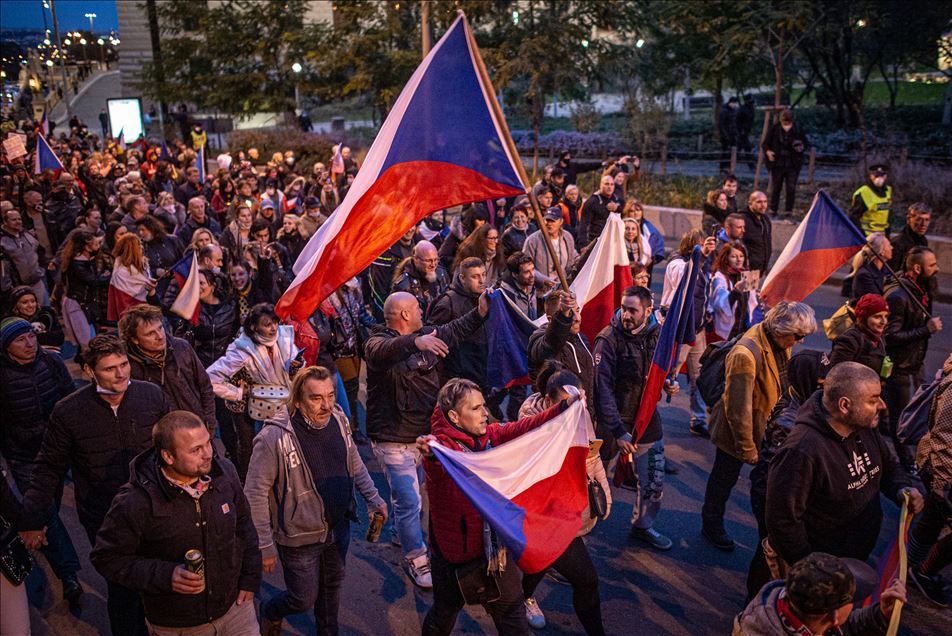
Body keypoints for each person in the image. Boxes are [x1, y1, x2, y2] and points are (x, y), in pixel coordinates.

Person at [19, 334, 170, 636]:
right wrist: (33, 520)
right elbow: (49, 468)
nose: (121, 373)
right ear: (89, 371)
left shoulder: (151, 395)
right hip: (105, 517)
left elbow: (173, 443)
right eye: (110, 368)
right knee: (123, 592)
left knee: (160, 583)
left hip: (157, 510)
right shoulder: (68, 411)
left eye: (124, 364)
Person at [416, 378, 584, 634]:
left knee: (512, 618)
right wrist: (430, 453)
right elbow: (435, 462)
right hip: (454, 561)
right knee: (443, 616)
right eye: (475, 408)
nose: (485, 414)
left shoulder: (490, 436)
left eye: (484, 405)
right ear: (454, 416)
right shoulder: (444, 450)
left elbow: (526, 427)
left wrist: (564, 408)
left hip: (493, 556)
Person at [91, 411, 261, 635]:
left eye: (208, 443)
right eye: (195, 450)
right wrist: (165, 575)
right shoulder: (135, 501)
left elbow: (244, 527)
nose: (208, 454)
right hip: (178, 624)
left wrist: (250, 578)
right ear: (168, 457)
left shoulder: (225, 473)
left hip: (235, 611)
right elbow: (107, 558)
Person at [245, 366, 386, 636]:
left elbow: (353, 461)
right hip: (299, 537)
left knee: (331, 590)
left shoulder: (339, 418)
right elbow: (254, 493)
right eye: (316, 398)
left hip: (338, 528)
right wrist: (264, 544)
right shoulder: (273, 438)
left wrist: (373, 497)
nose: (326, 405)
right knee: (302, 598)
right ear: (297, 400)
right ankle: (271, 611)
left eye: (331, 396)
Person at [363, 290, 487, 589]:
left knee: (415, 497)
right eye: (417, 307)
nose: (422, 310)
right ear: (405, 314)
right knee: (410, 501)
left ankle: (399, 532)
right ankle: (417, 559)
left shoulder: (426, 334)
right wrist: (414, 342)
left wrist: (480, 312)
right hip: (393, 439)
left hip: (423, 436)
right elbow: (381, 351)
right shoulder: (377, 341)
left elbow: (454, 329)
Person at [765, 362, 923, 566]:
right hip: (820, 573)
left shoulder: (864, 425)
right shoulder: (801, 451)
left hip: (854, 556)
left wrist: (902, 488)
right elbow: (782, 521)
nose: (882, 406)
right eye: (873, 400)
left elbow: (888, 466)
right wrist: (810, 568)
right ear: (845, 405)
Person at [703, 301, 817, 551]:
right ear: (780, 330)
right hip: (737, 430)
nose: (800, 342)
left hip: (764, 422)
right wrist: (747, 448)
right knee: (724, 477)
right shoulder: (746, 354)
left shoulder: (775, 338)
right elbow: (738, 408)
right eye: (798, 336)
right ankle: (711, 524)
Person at [0, 317, 83, 604]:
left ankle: (42, 539)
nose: (29, 343)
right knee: (43, 510)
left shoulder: (50, 363)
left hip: (57, 451)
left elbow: (70, 399)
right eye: (20, 339)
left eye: (31, 336)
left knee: (52, 508)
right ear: (6, 346)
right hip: (24, 457)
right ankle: (69, 574)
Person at [518, 370, 608, 634]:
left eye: (576, 405)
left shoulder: (579, 412)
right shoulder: (529, 424)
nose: (572, 412)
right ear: (547, 400)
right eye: (564, 406)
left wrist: (603, 490)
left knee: (544, 560)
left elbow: (591, 454)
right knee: (587, 580)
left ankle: (522, 597)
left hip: (568, 507)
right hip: (545, 514)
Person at [595, 286, 679, 550]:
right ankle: (580, 531)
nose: (626, 315)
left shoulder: (657, 335)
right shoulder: (608, 339)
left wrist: (665, 383)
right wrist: (618, 431)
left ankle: (643, 526)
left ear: (648, 311)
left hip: (645, 417)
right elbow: (602, 389)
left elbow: (657, 369)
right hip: (612, 420)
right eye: (623, 308)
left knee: (653, 477)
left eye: (633, 310)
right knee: (594, 480)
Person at [206, 303, 301, 480]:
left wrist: (296, 367)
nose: (273, 328)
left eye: (275, 322)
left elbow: (293, 366)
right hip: (246, 409)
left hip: (279, 403)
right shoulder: (242, 350)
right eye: (267, 324)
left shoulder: (284, 338)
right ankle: (246, 487)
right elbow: (209, 378)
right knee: (251, 450)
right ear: (253, 327)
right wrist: (237, 393)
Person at [735, 552, 906, 636]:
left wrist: (880, 614)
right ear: (834, 616)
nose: (854, 604)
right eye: (852, 597)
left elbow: (840, 628)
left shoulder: (784, 605)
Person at [883, 246, 942, 468]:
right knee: (903, 421)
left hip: (915, 364)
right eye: (932, 265)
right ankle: (908, 465)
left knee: (919, 416)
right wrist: (926, 330)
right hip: (900, 369)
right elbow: (891, 336)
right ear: (917, 268)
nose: (937, 269)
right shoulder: (899, 296)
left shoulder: (920, 290)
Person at [120, 303, 218, 433]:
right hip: (165, 436)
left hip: (197, 427)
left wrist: (209, 422)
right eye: (150, 333)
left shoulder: (182, 348)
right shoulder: (129, 366)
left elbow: (205, 386)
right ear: (135, 339)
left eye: (160, 328)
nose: (160, 336)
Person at [907, 353, 952, 606]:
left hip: (941, 465)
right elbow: (944, 436)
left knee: (933, 519)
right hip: (941, 466)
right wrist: (942, 483)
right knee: (936, 513)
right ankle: (921, 571)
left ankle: (911, 569)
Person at [428, 257, 488, 387]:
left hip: (482, 373)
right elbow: (433, 337)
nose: (482, 280)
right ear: (462, 278)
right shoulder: (448, 303)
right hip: (458, 378)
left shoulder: (486, 298)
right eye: (475, 276)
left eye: (483, 275)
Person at [708, 242, 758, 342]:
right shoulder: (719, 276)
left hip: (744, 328)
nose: (739, 259)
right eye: (734, 256)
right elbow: (720, 304)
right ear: (726, 259)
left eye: (741, 256)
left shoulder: (749, 275)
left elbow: (754, 303)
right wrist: (735, 292)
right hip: (726, 331)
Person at [830, 294, 889, 377]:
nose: (884, 322)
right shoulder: (850, 340)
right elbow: (836, 374)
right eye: (877, 317)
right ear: (864, 318)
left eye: (886, 316)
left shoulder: (879, 338)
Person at [764, 109, 808, 215]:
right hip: (777, 163)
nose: (786, 125)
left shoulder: (797, 129)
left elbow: (805, 144)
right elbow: (765, 143)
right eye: (784, 123)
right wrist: (768, 152)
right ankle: (773, 209)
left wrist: (799, 147)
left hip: (792, 163)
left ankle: (788, 210)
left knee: (791, 187)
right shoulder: (775, 129)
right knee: (776, 187)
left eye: (788, 123)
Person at [391, 239, 450, 319]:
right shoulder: (403, 286)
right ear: (416, 259)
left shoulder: (441, 273)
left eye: (436, 259)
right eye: (428, 261)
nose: (433, 265)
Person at [107, 232, 156, 322]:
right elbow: (122, 303)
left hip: (150, 313)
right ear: (130, 250)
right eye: (138, 245)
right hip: (133, 320)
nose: (141, 247)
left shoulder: (144, 266)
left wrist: (152, 290)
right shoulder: (121, 273)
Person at [1, 207, 46, 302]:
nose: (18, 222)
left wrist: (41, 270)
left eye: (19, 219)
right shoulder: (2, 241)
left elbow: (40, 251)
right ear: (5, 222)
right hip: (19, 288)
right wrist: (9, 287)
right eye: (13, 220)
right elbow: (3, 268)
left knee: (45, 312)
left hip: (37, 282)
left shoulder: (27, 234)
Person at [522, 207, 577, 286]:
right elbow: (525, 266)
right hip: (540, 290)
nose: (549, 223)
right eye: (547, 220)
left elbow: (572, 257)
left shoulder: (567, 237)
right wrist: (544, 280)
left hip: (563, 287)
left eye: (552, 221)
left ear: (561, 221)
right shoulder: (532, 240)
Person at [369, 228, 415, 320]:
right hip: (391, 314)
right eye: (406, 225)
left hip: (411, 311)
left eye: (412, 224)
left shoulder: (417, 246)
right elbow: (378, 290)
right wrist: (390, 315)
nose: (410, 229)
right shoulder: (384, 251)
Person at [846, 232, 892, 305]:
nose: (892, 248)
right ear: (882, 252)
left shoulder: (885, 271)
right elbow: (877, 302)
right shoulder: (864, 275)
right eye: (889, 245)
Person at [850, 164, 892, 236]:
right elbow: (854, 217)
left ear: (886, 176)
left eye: (882, 175)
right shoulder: (864, 192)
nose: (879, 178)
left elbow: (887, 213)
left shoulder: (888, 190)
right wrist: (861, 235)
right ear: (871, 176)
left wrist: (888, 231)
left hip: (882, 235)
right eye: (876, 176)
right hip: (867, 235)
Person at [577, 174, 620, 246]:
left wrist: (617, 208)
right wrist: (583, 244)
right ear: (600, 185)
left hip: (613, 241)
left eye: (612, 184)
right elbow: (583, 225)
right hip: (596, 241)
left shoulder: (617, 199)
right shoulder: (592, 202)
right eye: (607, 184)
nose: (609, 187)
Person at [888, 202, 931, 272]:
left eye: (927, 220)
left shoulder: (923, 241)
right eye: (919, 219)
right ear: (908, 219)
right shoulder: (897, 244)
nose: (923, 224)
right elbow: (892, 275)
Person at [740, 191, 773, 276]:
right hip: (746, 269)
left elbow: (767, 242)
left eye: (765, 202)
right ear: (750, 203)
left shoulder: (765, 219)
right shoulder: (742, 219)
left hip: (760, 268)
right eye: (759, 202)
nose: (763, 205)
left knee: (755, 289)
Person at [719, 97, 739, 172]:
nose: (735, 105)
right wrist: (725, 135)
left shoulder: (733, 111)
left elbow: (734, 123)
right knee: (725, 151)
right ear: (731, 103)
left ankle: (728, 166)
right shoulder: (724, 111)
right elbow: (721, 124)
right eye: (734, 103)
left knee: (731, 151)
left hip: (732, 134)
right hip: (726, 135)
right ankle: (723, 167)